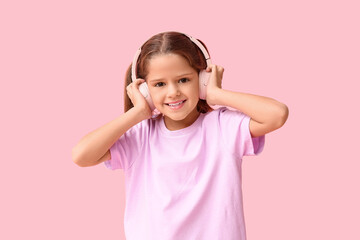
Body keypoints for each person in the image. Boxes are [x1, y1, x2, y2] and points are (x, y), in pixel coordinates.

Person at [72, 31, 289, 240]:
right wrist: (137, 113)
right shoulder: (140, 136)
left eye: (184, 80)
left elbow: (277, 115)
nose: (173, 91)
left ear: (203, 79)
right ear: (144, 90)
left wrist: (217, 94)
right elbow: (82, 155)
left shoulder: (224, 127)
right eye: (159, 84)